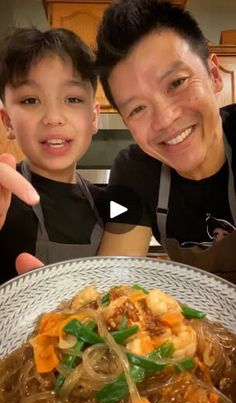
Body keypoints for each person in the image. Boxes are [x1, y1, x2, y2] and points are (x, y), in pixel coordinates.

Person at [96, 0, 236, 282]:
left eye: (176, 83)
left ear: (214, 75)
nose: (164, 120)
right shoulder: (131, 171)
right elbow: (113, 279)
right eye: (137, 109)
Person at [0, 27, 105, 283]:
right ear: (8, 122)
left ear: (93, 117)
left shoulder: (110, 204)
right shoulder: (4, 198)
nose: (53, 118)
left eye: (72, 99)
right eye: (30, 101)